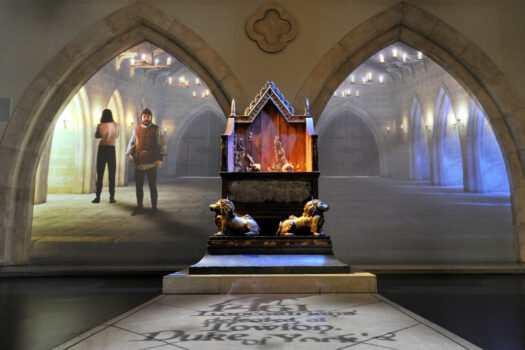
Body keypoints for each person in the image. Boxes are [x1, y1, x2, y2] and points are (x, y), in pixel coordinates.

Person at [127, 108, 166, 215]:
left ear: (151, 118)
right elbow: (132, 143)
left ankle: (154, 208)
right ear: (141, 117)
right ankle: (139, 207)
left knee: (152, 186)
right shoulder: (136, 129)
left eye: (148, 117)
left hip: (152, 161)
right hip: (139, 161)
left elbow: (161, 144)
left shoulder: (156, 129)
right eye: (144, 116)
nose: (146, 118)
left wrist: (160, 159)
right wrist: (130, 154)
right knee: (138, 186)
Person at [92, 109, 119, 204]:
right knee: (112, 174)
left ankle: (97, 197)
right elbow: (117, 135)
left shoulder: (100, 125)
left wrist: (99, 129)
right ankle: (112, 197)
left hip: (102, 149)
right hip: (111, 149)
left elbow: (97, 136)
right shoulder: (116, 125)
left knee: (100, 174)